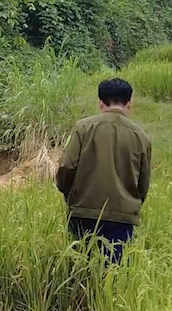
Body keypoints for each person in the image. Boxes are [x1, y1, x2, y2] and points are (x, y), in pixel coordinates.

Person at [55, 78, 153, 265]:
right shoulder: (142, 138)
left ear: (100, 103)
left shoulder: (83, 128)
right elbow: (143, 183)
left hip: (83, 211)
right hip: (122, 216)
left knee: (80, 268)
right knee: (113, 274)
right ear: (129, 104)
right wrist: (132, 204)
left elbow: (67, 166)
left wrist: (69, 195)